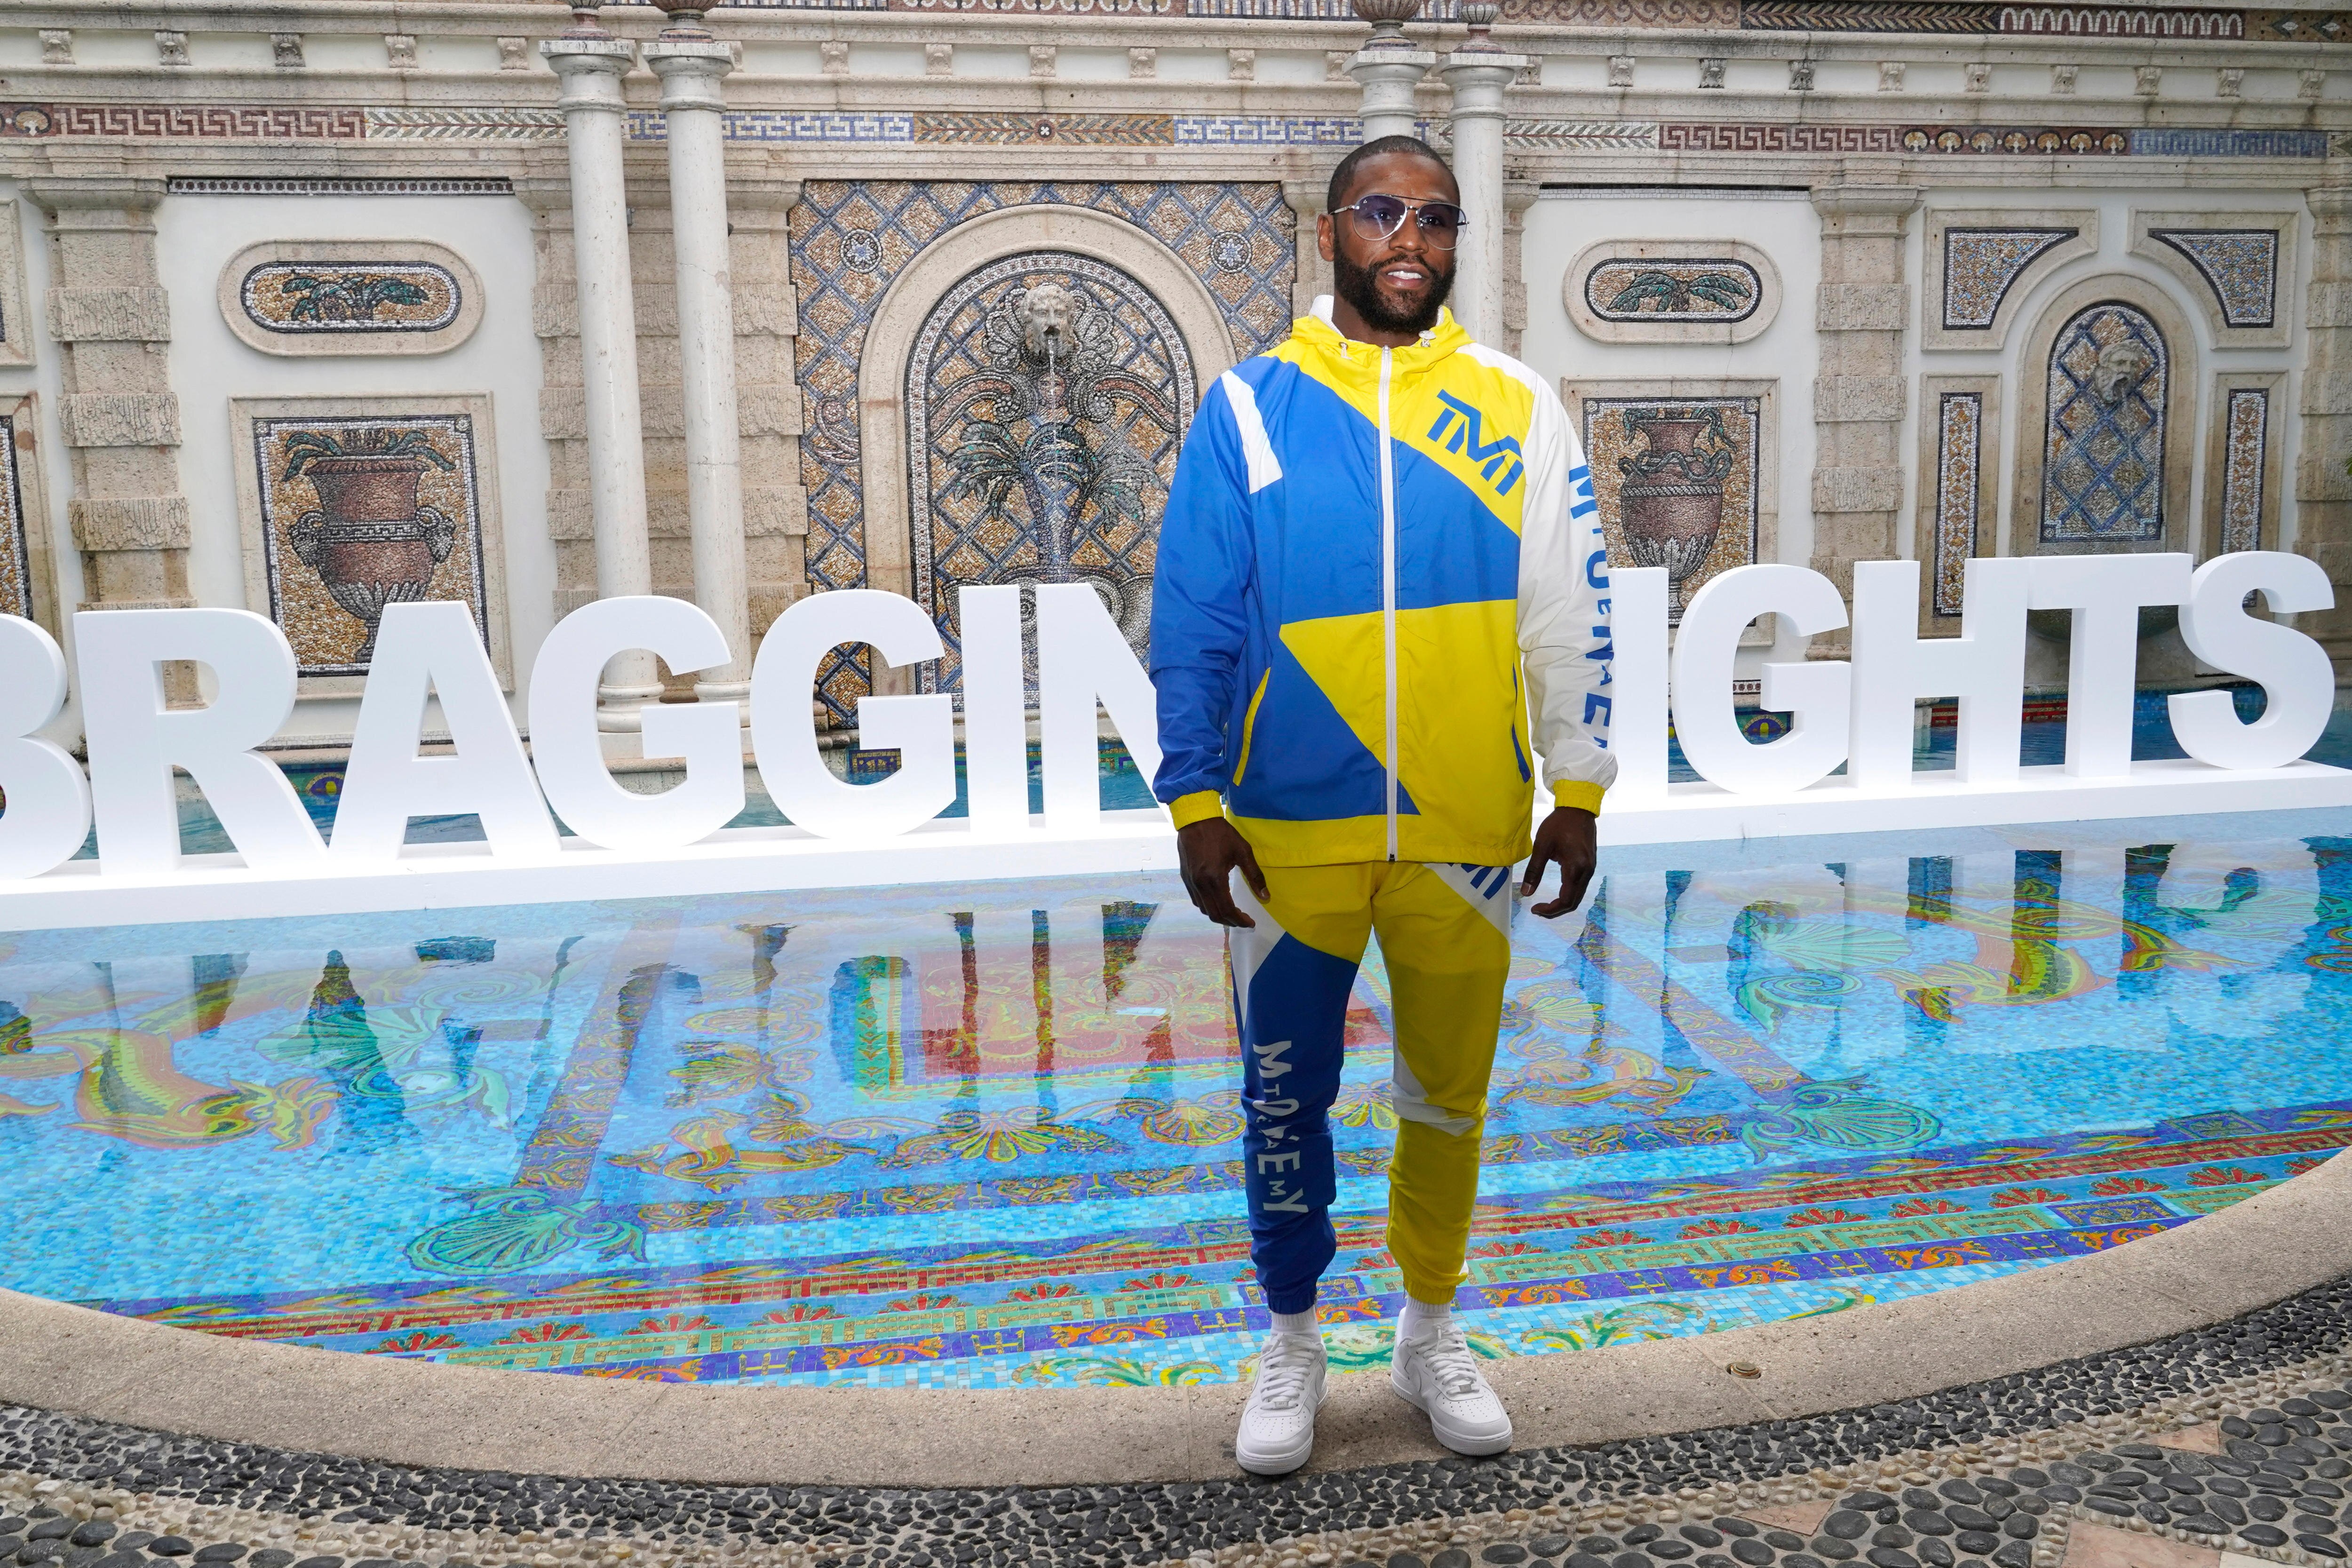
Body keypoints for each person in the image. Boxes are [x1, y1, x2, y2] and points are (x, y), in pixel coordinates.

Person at [1147, 134, 1616, 1476]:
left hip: (1470, 829)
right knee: (1284, 1097)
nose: (1410, 239)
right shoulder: (1249, 408)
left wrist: (1575, 789)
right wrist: (1194, 798)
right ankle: (1293, 1338)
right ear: (1330, 229)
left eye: (1438, 219)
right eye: (1382, 212)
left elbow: (1567, 614)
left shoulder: (1519, 405)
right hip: (1290, 830)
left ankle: (1427, 1326)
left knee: (1446, 1098)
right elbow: (1195, 618)